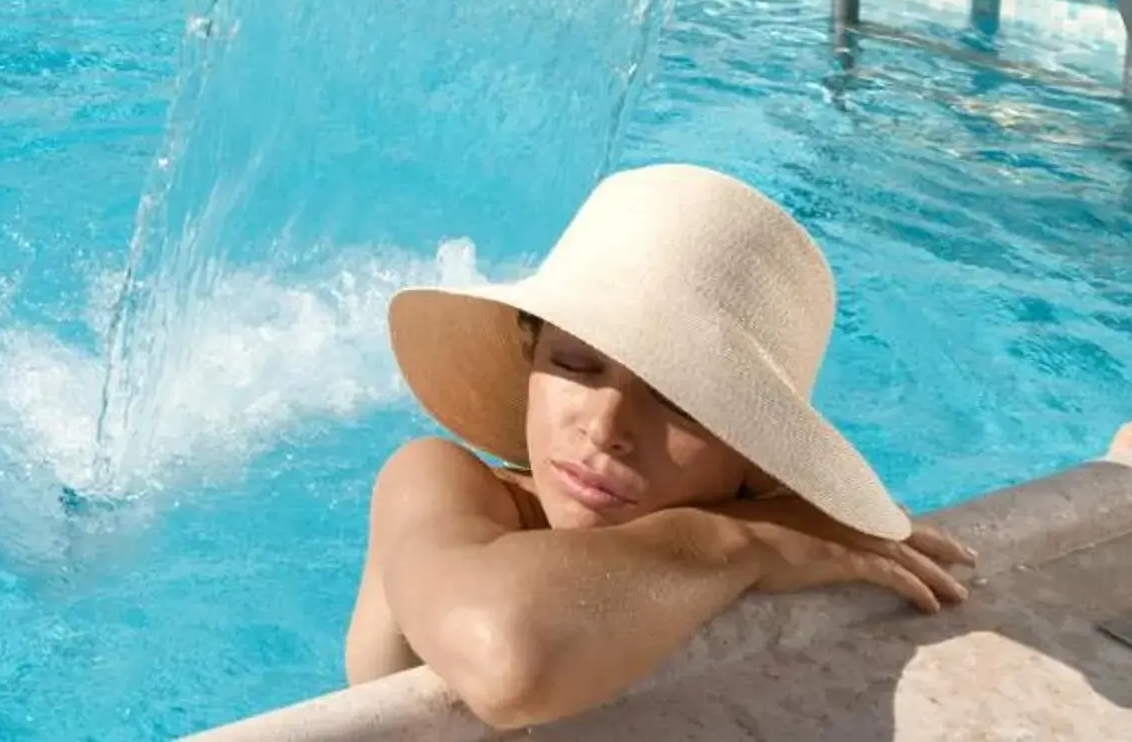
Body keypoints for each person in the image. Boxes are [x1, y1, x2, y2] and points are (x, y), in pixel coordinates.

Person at [344, 164, 976, 728]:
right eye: (577, 365)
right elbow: (511, 659)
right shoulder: (434, 484)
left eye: (679, 400)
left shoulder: (796, 548)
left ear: (757, 459)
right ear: (530, 360)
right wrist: (739, 541)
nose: (607, 426)